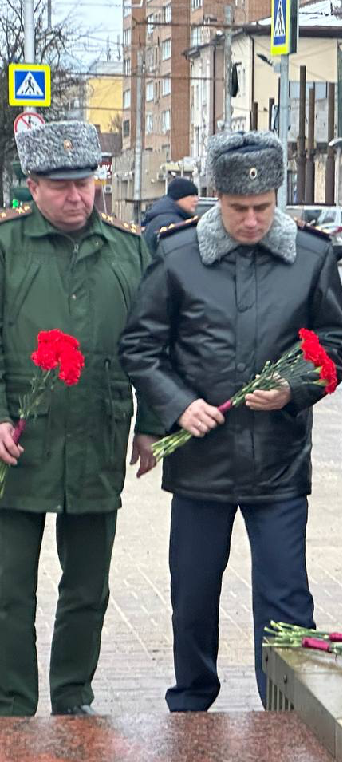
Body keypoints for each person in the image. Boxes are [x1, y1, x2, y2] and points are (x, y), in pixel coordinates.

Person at [118, 130, 342, 711]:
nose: (251, 221)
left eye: (263, 208)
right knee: (193, 596)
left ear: (276, 198)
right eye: (237, 209)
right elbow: (141, 348)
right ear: (213, 199)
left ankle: (286, 704)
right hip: (202, 464)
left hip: (278, 461)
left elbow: (337, 346)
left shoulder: (311, 255)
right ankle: (192, 700)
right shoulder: (177, 255)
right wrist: (178, 404)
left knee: (285, 600)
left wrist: (294, 388)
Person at [0, 120, 163, 716]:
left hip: (98, 432)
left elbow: (152, 344)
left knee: (87, 589)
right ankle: (11, 704)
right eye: (61, 185)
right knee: (8, 591)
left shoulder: (129, 249)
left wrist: (152, 421)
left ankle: (74, 698)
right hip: (18, 441)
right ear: (33, 186)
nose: (77, 197)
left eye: (85, 183)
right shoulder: (7, 246)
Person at [142, 177, 199, 252]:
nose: (196, 200)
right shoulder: (170, 222)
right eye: (192, 196)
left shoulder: (162, 215)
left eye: (196, 196)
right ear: (179, 197)